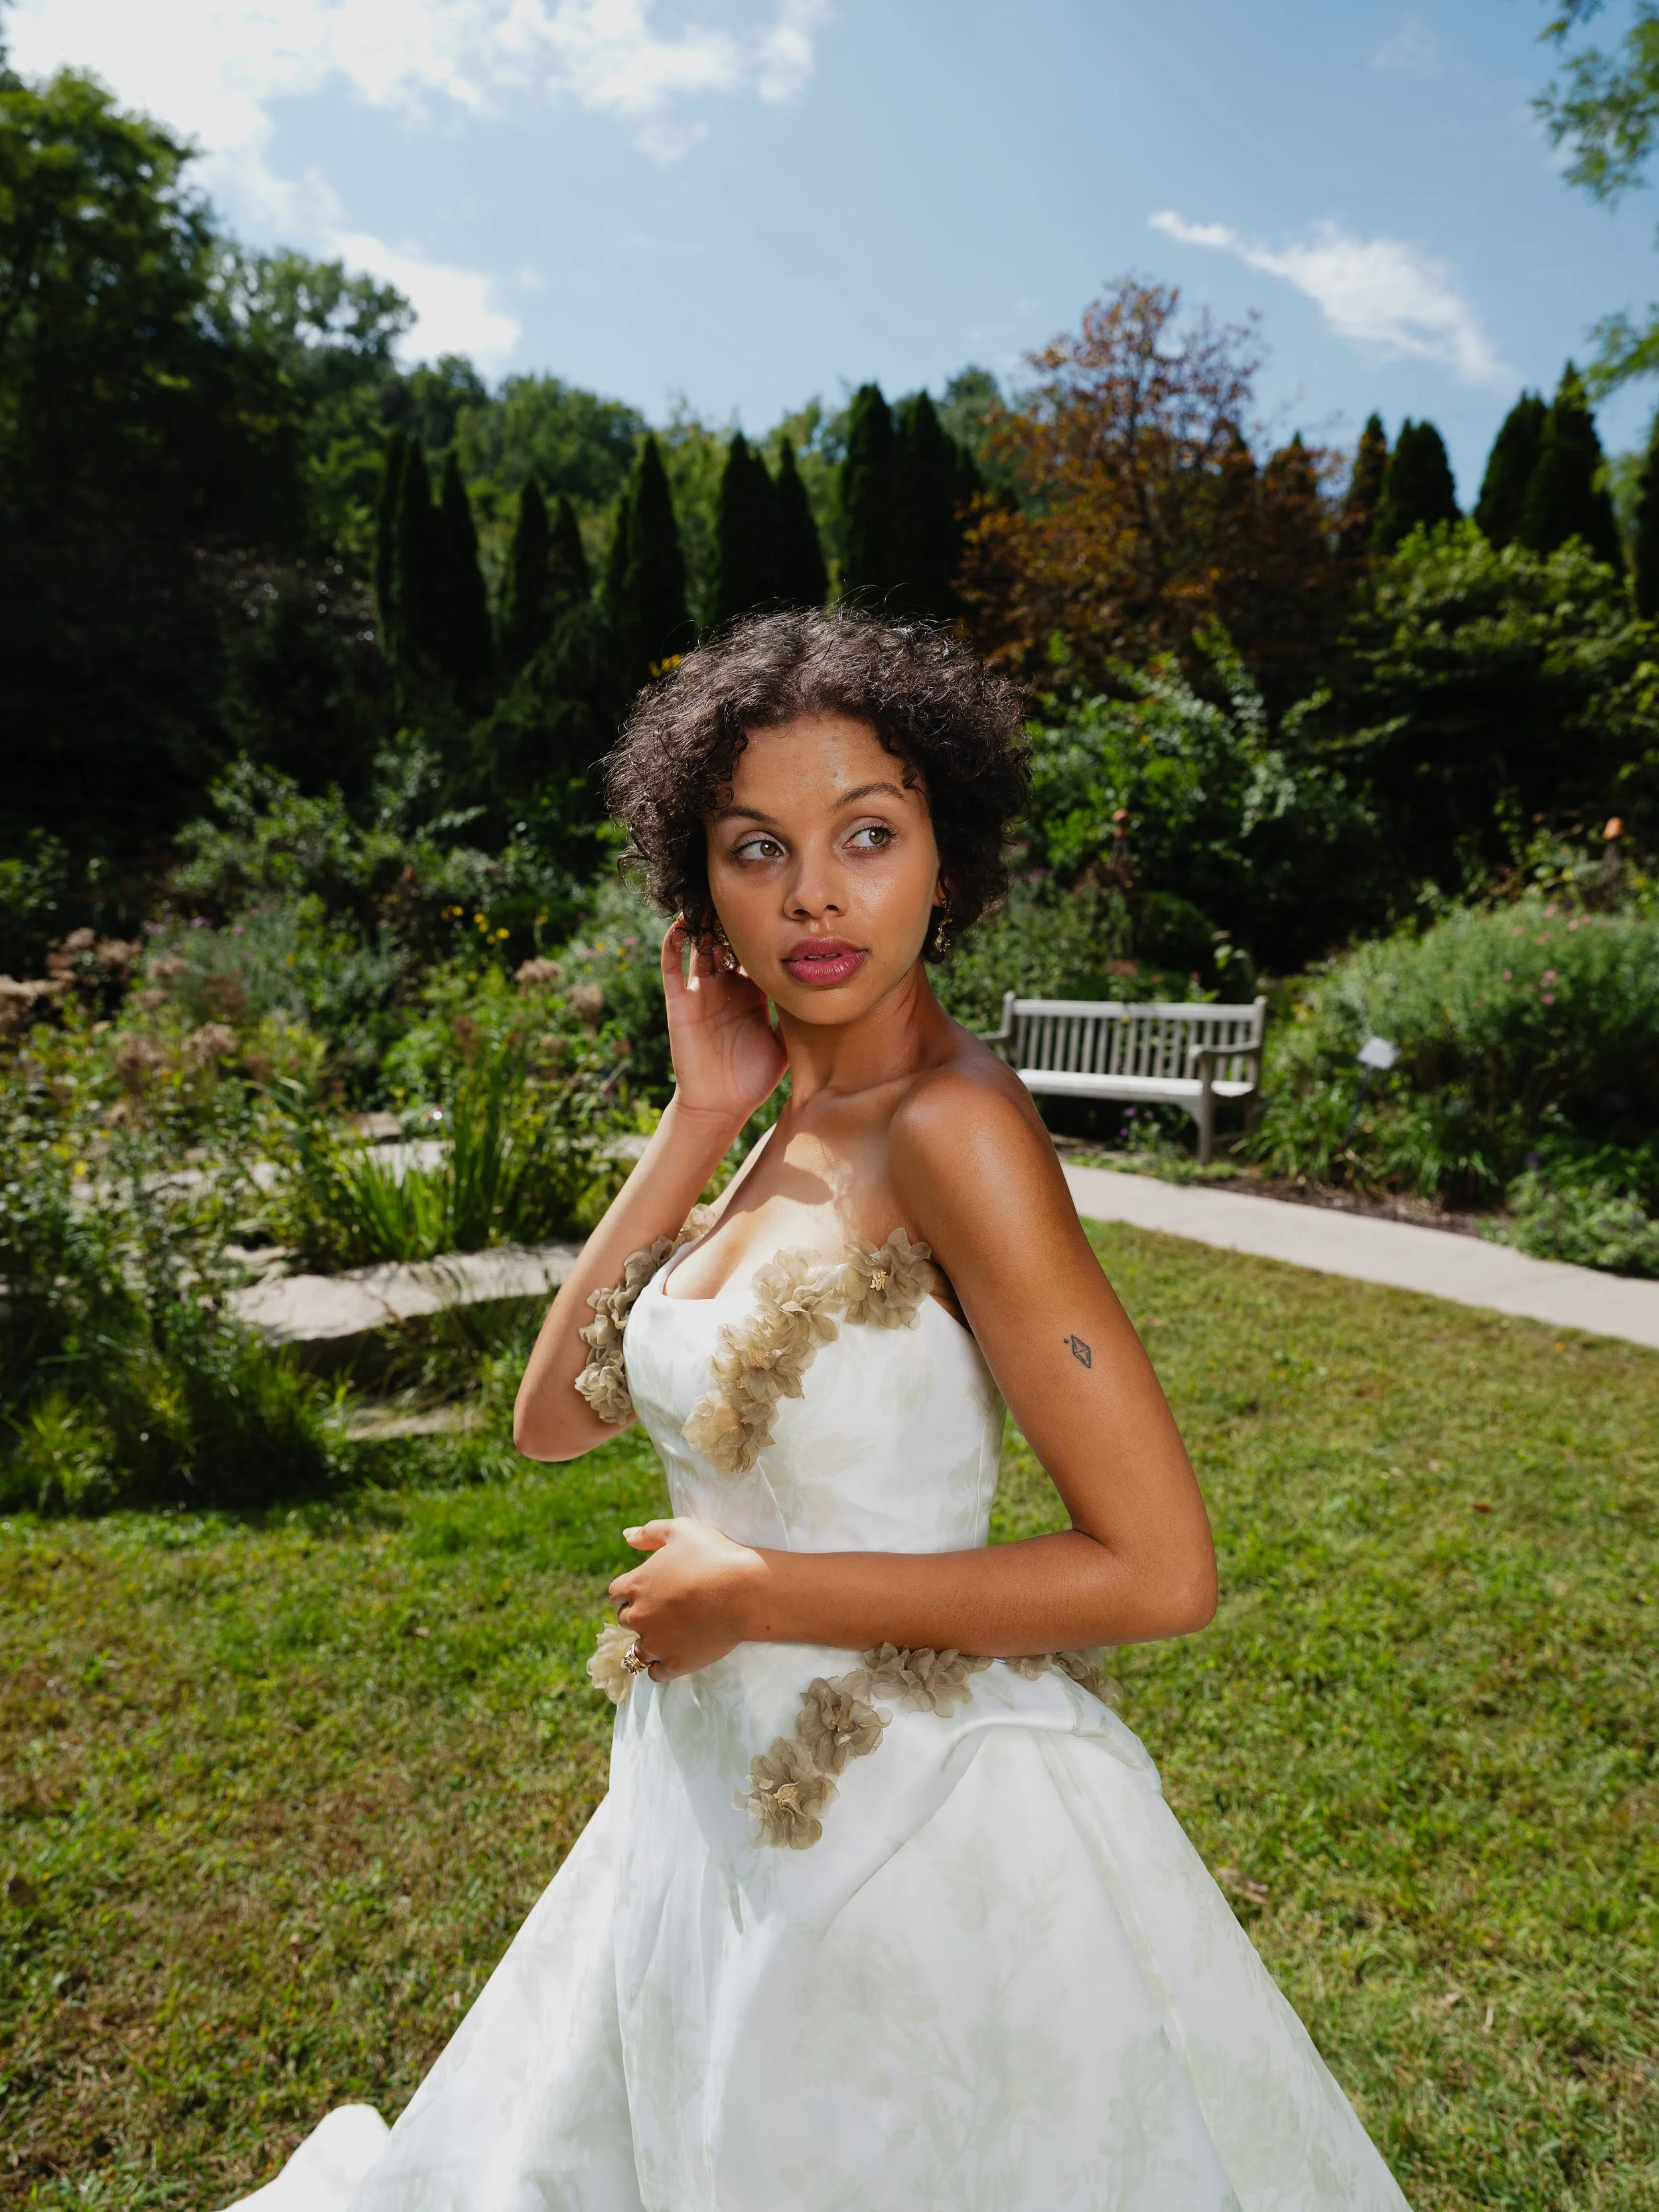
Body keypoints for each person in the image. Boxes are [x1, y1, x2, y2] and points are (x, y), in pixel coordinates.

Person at [228, 610, 1409, 2211]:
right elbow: (551, 1419)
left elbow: (1157, 1570)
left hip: (897, 1833)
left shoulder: (952, 1129)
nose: (812, 895)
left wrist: (760, 1593)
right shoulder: (781, 1124)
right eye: (755, 848)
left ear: (945, 859)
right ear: (699, 893)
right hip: (702, 1791)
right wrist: (695, 1115)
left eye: (866, 834)